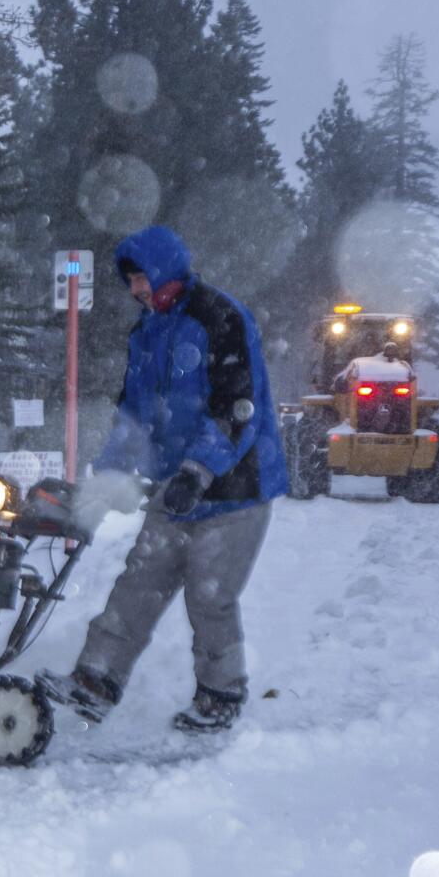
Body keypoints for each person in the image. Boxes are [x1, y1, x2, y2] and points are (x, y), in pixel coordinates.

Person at [43, 225, 287, 734]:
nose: (135, 290)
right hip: (175, 489)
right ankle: (94, 681)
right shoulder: (147, 331)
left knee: (209, 596)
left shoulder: (218, 319)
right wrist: (108, 473)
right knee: (139, 582)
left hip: (234, 490)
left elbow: (238, 410)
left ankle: (220, 698)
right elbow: (134, 416)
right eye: (129, 281)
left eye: (141, 278)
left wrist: (198, 469)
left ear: (165, 270)